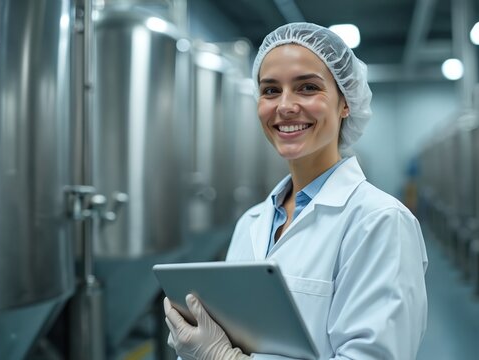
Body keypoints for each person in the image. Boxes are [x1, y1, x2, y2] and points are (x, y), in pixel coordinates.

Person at [164, 22, 428, 360]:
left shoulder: (381, 221)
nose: (285, 106)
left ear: (345, 103)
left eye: (307, 88)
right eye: (271, 91)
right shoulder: (253, 222)